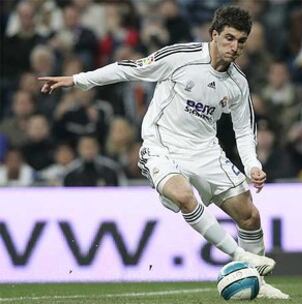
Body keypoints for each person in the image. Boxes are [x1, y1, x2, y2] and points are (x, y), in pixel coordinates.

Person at [38, 6, 288, 299]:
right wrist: (78, 80)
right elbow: (128, 68)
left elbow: (244, 130)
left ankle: (259, 284)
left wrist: (252, 165)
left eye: (241, 41)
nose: (235, 47)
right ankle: (240, 255)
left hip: (206, 151)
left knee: (250, 216)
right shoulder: (180, 57)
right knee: (183, 196)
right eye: (229, 38)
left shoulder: (238, 84)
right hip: (161, 145)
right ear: (214, 34)